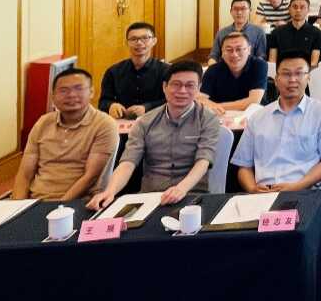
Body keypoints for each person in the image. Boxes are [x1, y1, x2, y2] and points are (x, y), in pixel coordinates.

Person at [88, 61, 221, 206]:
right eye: (176, 84)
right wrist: (110, 191)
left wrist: (180, 189)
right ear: (164, 87)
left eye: (190, 85)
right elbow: (128, 162)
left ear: (199, 88)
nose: (182, 91)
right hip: (150, 197)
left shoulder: (208, 119)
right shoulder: (145, 121)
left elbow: (203, 161)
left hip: (192, 195)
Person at [232, 51, 321, 192]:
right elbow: (244, 166)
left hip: (305, 191)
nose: (292, 79)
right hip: (263, 194)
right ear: (276, 79)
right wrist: (252, 189)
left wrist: (298, 186)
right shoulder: (257, 117)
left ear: (308, 78)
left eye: (299, 73)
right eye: (286, 74)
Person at [12, 68, 118, 200]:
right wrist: (17, 205)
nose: (71, 95)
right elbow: (24, 174)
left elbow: (91, 176)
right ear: (53, 96)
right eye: (63, 90)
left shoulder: (104, 124)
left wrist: (58, 206)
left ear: (91, 92)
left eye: (79, 88)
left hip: (78, 201)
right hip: (36, 199)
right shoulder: (43, 123)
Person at [99, 22, 169, 119]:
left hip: (156, 122)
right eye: (133, 39)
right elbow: (103, 102)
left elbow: (172, 100)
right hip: (122, 124)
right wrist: (111, 105)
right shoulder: (113, 72)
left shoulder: (166, 71)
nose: (139, 42)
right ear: (126, 43)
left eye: (145, 38)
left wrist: (146, 108)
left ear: (154, 41)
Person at [200, 32, 268, 113]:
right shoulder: (213, 70)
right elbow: (200, 98)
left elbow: (253, 102)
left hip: (251, 116)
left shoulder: (259, 65)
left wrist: (215, 106)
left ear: (249, 50)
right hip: (220, 117)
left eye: (239, 49)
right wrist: (211, 106)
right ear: (222, 52)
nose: (234, 55)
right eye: (229, 50)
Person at [208, 0, 267, 65]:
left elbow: (261, 57)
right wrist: (212, 67)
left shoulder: (259, 32)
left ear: (250, 11)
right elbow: (213, 56)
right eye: (235, 9)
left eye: (243, 9)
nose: (239, 12)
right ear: (231, 11)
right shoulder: (221, 33)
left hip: (250, 68)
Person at [268, 0, 321, 67]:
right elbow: (272, 60)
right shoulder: (276, 32)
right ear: (289, 9)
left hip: (305, 70)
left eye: (302, 7)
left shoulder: (316, 32)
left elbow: (314, 62)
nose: (298, 10)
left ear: (308, 10)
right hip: (283, 70)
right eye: (295, 7)